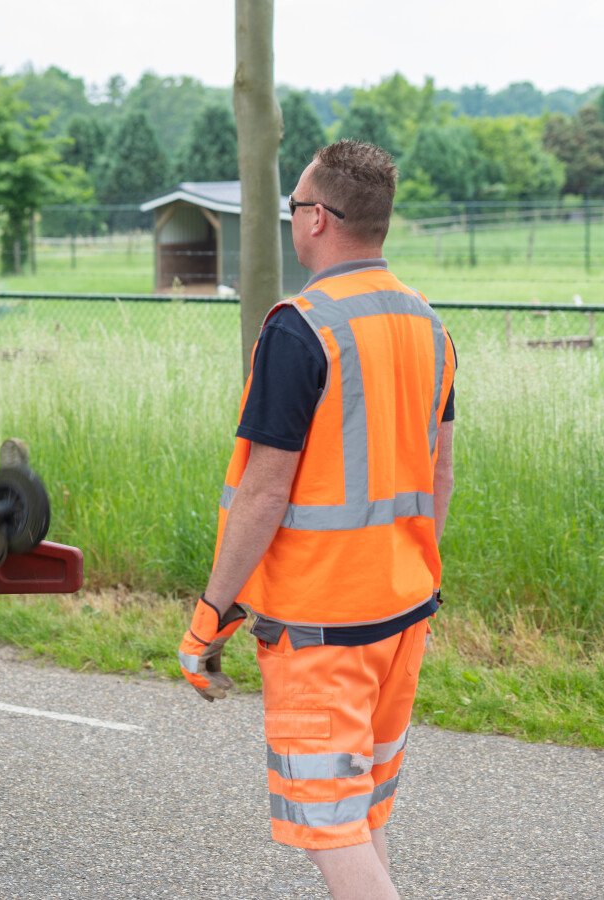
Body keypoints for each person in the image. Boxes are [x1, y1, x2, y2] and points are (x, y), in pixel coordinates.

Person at [176, 140, 456, 900]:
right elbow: (440, 473)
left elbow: (264, 496)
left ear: (321, 220)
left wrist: (207, 622)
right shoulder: (425, 322)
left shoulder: (301, 328)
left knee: (333, 827)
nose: (292, 219)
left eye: (295, 205)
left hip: (320, 629)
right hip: (401, 616)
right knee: (358, 813)